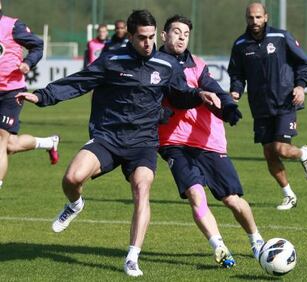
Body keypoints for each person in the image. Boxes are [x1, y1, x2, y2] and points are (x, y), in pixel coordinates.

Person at [16, 10, 221, 277]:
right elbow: (78, 83)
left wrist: (199, 94)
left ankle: (132, 257)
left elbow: (181, 94)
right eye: (142, 38)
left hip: (144, 143)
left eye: (151, 37)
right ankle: (75, 204)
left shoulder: (166, 65)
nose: (148, 43)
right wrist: (42, 96)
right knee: (71, 178)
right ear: (130, 37)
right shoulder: (112, 61)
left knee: (142, 187)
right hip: (108, 138)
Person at [158, 15, 264, 268]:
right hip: (173, 141)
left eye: (186, 33)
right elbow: (173, 92)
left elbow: (213, 88)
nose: (182, 36)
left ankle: (256, 239)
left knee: (231, 199)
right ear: (164, 35)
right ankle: (219, 246)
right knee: (195, 193)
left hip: (208, 140)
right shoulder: (154, 65)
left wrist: (227, 106)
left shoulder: (198, 64)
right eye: (176, 31)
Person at [227, 2, 307, 211]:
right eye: (251, 18)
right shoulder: (240, 45)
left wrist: (301, 86)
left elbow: (305, 62)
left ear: (266, 17)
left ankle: (303, 154)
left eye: (258, 17)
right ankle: (289, 195)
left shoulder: (281, 37)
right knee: (269, 153)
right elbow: (237, 74)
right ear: (246, 19)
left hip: (285, 102)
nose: (255, 21)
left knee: (280, 149)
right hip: (260, 107)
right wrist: (235, 91)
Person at [0, 1, 59, 190]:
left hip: (11, 91)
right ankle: (49, 143)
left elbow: (37, 46)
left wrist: (27, 63)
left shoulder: (13, 26)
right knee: (10, 145)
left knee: (0, 138)